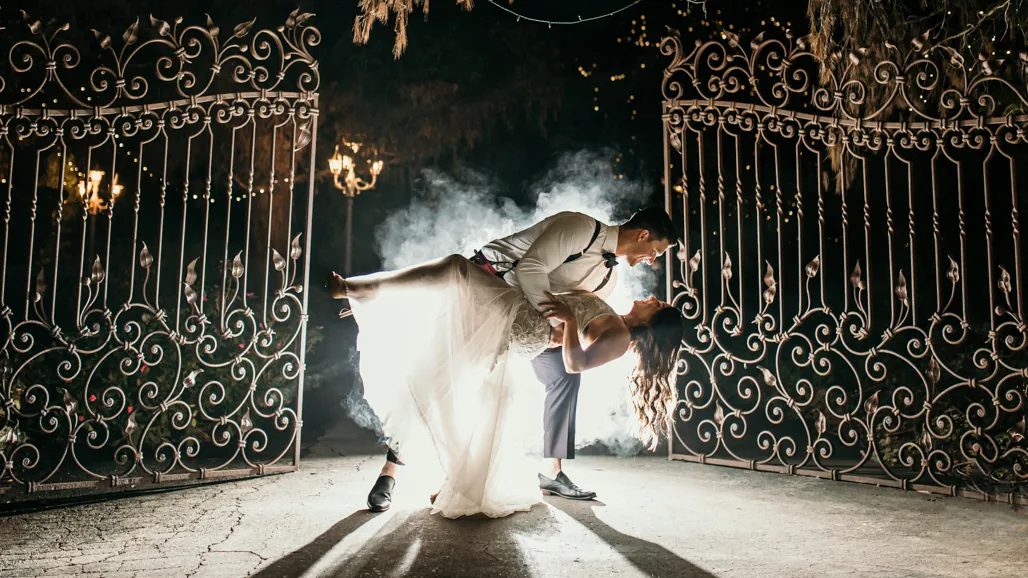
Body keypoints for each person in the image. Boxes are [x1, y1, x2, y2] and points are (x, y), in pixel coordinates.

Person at [331, 208, 681, 517]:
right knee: (442, 376)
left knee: (538, 380)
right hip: (496, 287)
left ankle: (549, 471)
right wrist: (553, 320)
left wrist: (558, 328)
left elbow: (579, 326)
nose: (653, 261)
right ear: (643, 235)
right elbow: (531, 269)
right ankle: (409, 474)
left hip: (521, 324)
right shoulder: (580, 228)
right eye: (656, 251)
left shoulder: (609, 280)